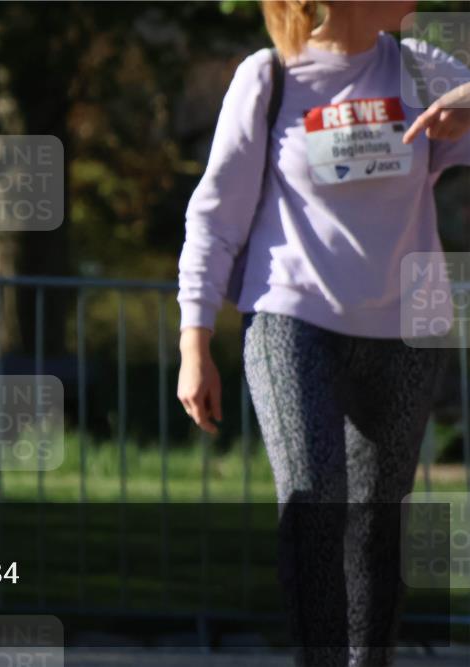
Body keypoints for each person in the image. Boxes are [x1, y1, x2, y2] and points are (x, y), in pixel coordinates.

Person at [175, 1, 470, 665]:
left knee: (377, 519)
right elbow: (215, 218)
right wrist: (195, 342)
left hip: (404, 331)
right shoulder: (269, 78)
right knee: (314, 500)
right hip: (292, 318)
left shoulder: (424, 71)